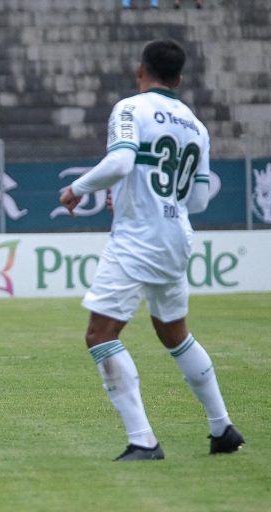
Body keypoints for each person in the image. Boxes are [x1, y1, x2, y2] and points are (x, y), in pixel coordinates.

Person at [59, 39, 245, 461]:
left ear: (140, 69)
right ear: (178, 78)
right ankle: (222, 427)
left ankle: (143, 440)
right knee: (174, 334)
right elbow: (197, 201)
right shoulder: (196, 125)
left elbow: (122, 163)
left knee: (100, 335)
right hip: (177, 235)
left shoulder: (130, 109)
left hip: (138, 237)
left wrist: (77, 188)